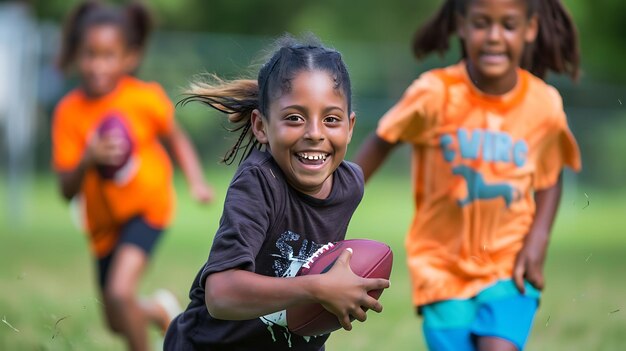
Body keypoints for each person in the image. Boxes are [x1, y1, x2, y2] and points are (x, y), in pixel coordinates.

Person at [354, 0, 581, 350]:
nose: (493, 36)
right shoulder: (434, 94)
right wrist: (336, 202)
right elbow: (382, 141)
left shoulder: (544, 104)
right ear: (461, 25)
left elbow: (551, 177)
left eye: (507, 25)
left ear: (530, 29)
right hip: (441, 267)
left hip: (509, 265)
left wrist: (537, 242)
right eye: (481, 23)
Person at [164, 35, 391, 351]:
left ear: (350, 127)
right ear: (261, 126)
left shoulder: (349, 184)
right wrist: (316, 288)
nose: (314, 133)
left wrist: (335, 290)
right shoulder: (259, 182)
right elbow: (220, 294)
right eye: (294, 118)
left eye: (331, 119)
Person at [51, 1, 213, 350]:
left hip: (147, 208)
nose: (97, 65)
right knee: (115, 318)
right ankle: (158, 312)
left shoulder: (144, 98)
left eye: (108, 55)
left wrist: (196, 180)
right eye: (89, 54)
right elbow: (65, 190)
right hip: (103, 224)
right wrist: (87, 160)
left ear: (128, 58)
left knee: (120, 292)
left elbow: (176, 138)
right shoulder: (68, 113)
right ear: (77, 54)